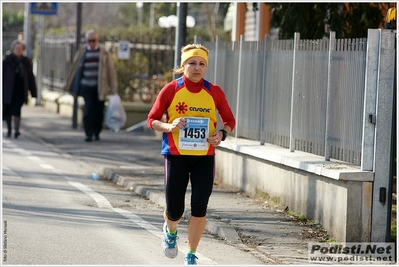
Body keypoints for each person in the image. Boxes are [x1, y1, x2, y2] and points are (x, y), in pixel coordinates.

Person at [147, 44, 236, 265]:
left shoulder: (214, 91)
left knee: (200, 205)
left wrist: (221, 134)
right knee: (175, 210)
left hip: (204, 157)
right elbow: (152, 120)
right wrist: (170, 126)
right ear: (183, 65)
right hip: (176, 156)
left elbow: (229, 120)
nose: (197, 68)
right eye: (192, 63)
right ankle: (170, 230)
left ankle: (190, 254)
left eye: (202, 64)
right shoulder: (171, 89)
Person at [65, 29, 118, 142]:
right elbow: (74, 68)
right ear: (86, 41)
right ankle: (88, 133)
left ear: (97, 40)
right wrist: (70, 84)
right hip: (86, 86)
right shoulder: (82, 52)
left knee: (98, 111)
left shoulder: (104, 53)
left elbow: (111, 71)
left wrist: (114, 88)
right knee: (88, 110)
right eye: (89, 40)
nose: (91, 43)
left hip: (100, 87)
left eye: (93, 40)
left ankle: (96, 132)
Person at [3, 40, 37, 138]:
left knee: (17, 110)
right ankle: (9, 130)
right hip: (8, 90)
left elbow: (30, 78)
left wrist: (33, 93)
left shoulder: (26, 62)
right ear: (13, 49)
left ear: (23, 50)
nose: (18, 50)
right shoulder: (7, 61)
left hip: (20, 90)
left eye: (20, 48)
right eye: (16, 48)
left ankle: (16, 130)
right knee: (8, 111)